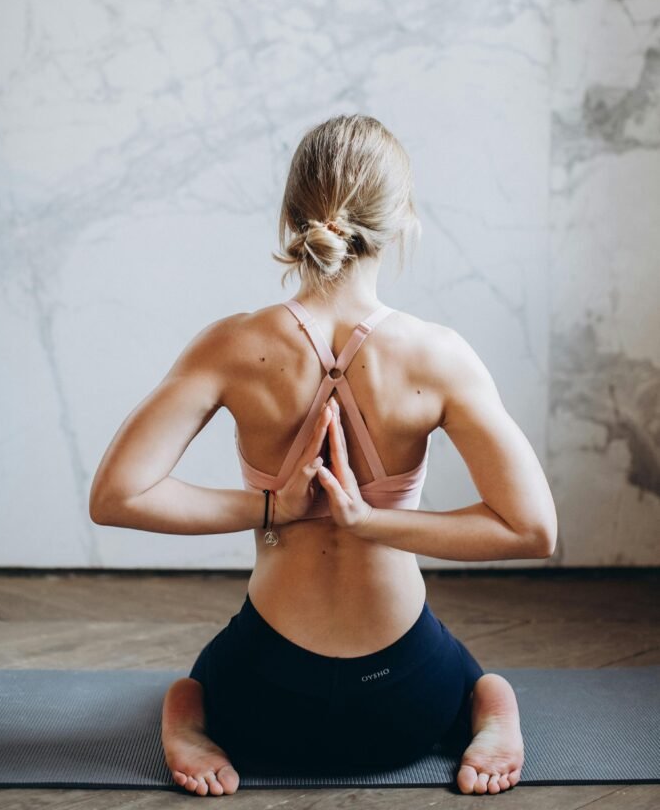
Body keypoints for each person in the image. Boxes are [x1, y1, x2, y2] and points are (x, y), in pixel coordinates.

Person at [89, 114, 557, 797]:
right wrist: (371, 522)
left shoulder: (230, 345)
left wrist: (275, 505)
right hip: (405, 703)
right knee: (473, 679)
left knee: (199, 682)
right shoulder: (438, 356)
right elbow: (532, 530)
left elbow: (117, 497)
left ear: (291, 218)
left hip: (260, 703)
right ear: (401, 222)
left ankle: (188, 715)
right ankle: (489, 707)